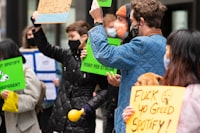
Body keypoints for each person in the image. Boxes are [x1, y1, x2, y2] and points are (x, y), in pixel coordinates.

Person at [89, 0, 167, 132]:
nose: (132, 26)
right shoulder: (166, 43)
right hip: (154, 120)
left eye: (132, 21)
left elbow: (105, 54)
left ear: (141, 22)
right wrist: (125, 81)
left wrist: (98, 21)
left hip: (134, 120)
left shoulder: (141, 44)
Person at [31, 16, 108, 133]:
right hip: (59, 115)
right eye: (68, 37)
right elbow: (46, 48)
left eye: (72, 36)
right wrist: (37, 27)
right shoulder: (67, 55)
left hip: (82, 116)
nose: (69, 40)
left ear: (84, 37)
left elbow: (106, 88)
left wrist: (89, 106)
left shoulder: (96, 59)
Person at [123, 29, 200, 133]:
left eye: (168, 51)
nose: (165, 56)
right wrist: (135, 119)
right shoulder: (173, 89)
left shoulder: (192, 96)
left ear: (179, 58)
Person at [20, 25, 62, 133]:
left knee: (47, 127)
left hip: (48, 100)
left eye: (33, 34)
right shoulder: (20, 53)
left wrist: (59, 80)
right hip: (30, 99)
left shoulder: (50, 51)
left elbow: (59, 72)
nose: (31, 37)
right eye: (29, 35)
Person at [0, 38, 41, 133]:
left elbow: (33, 99)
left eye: (1, 55)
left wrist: (13, 98)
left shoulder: (26, 72)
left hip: (22, 127)